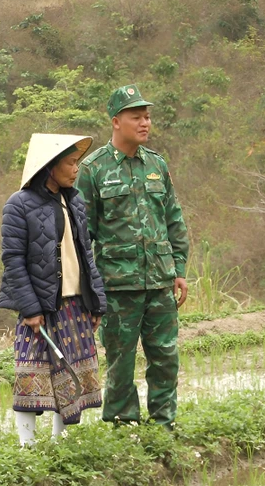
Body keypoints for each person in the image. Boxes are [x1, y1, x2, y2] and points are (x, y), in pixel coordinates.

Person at [76, 84, 190, 429]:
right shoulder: (93, 170)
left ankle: (163, 426)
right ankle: (124, 428)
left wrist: (179, 269)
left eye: (147, 116)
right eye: (136, 117)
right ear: (116, 121)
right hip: (117, 286)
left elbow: (173, 219)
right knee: (121, 363)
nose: (145, 123)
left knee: (165, 358)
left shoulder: (156, 165)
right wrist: (91, 289)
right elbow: (84, 235)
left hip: (159, 281)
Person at [0, 133, 107, 446]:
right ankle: (27, 447)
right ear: (49, 167)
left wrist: (96, 302)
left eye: (77, 163)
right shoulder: (18, 206)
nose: (76, 170)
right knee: (31, 374)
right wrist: (29, 308)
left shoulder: (74, 201)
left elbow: (86, 254)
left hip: (76, 304)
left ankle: (61, 443)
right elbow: (13, 261)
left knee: (69, 373)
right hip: (42, 306)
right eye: (71, 163)